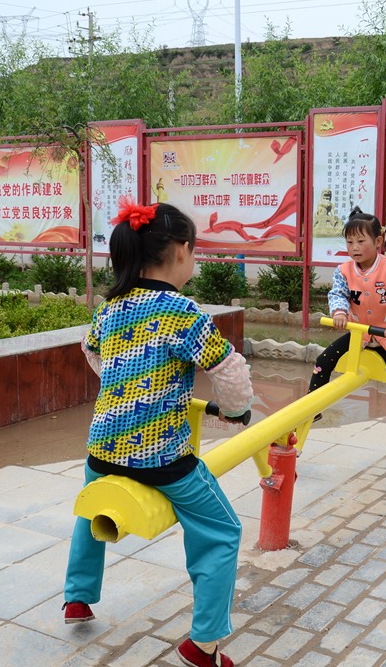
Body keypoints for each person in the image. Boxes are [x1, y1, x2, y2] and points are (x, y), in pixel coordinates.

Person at [63, 197, 253, 667]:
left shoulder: (111, 309)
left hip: (102, 450)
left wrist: (123, 385)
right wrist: (237, 413)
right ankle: (203, 644)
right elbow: (229, 373)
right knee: (222, 531)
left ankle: (77, 597)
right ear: (183, 251)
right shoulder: (183, 312)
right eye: (197, 251)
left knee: (93, 508)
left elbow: (91, 353)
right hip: (162, 459)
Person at [308, 206, 386, 466]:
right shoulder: (344, 270)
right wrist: (339, 311)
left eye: (361, 241)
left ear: (378, 241)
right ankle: (312, 408)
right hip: (357, 333)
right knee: (322, 363)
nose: (355, 248)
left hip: (385, 335)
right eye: (350, 242)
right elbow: (337, 294)